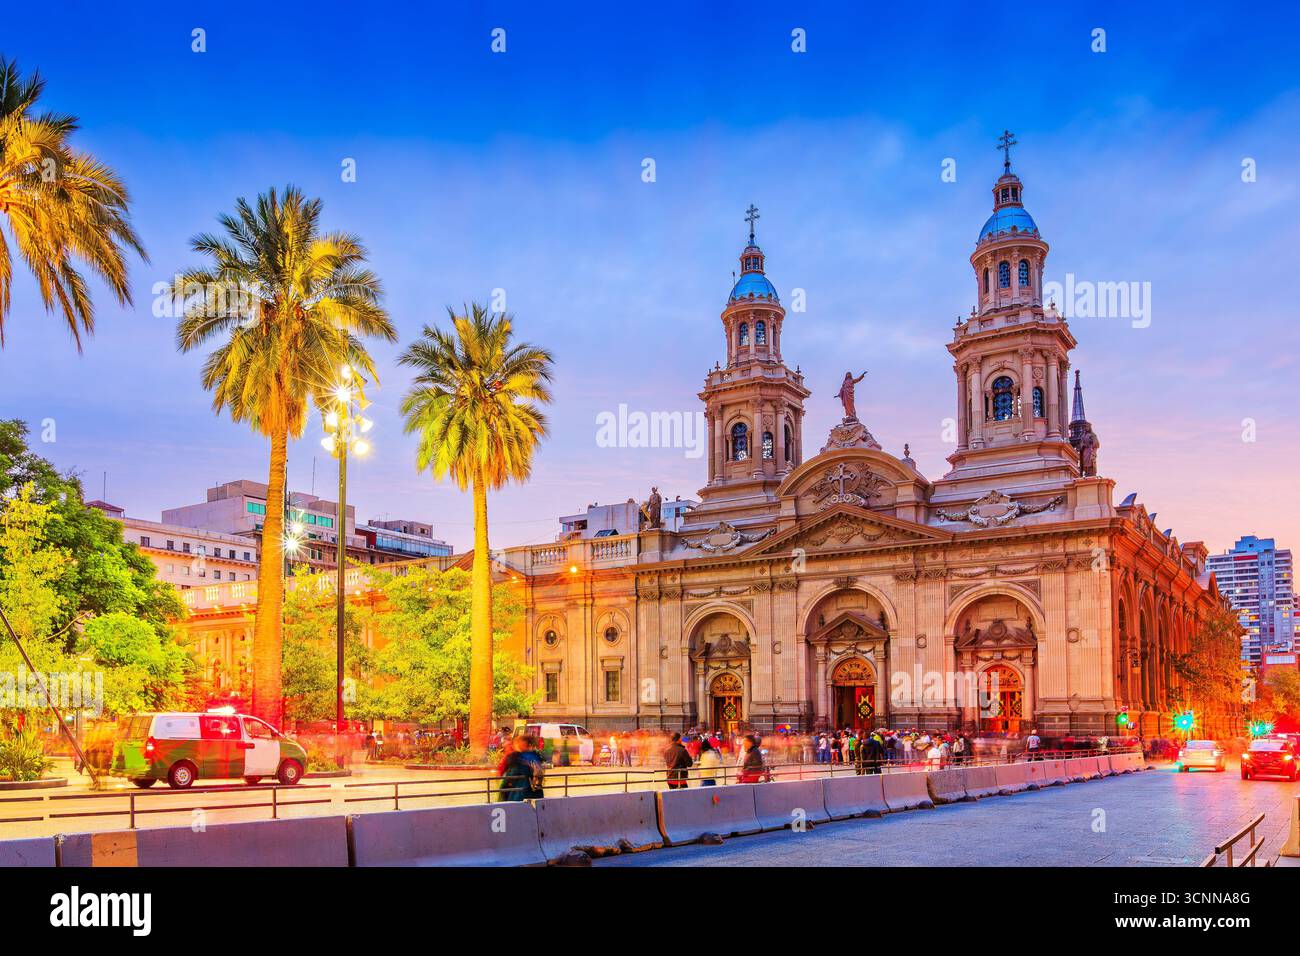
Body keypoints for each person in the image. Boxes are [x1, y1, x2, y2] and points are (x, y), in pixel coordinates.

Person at [498, 735, 545, 802]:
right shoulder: (536, 756)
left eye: (518, 742)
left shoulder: (517, 757)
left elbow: (511, 776)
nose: (516, 744)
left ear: (526, 744)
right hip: (535, 792)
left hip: (520, 793)